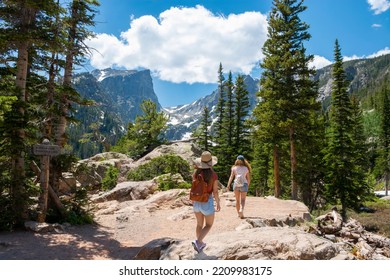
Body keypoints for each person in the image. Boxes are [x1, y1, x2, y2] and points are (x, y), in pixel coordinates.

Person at [191, 151, 221, 253]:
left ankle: (199, 244)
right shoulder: (213, 175)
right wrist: (218, 203)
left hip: (196, 202)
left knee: (199, 225)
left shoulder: (196, 173)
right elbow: (215, 191)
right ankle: (198, 242)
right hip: (206, 202)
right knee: (208, 225)